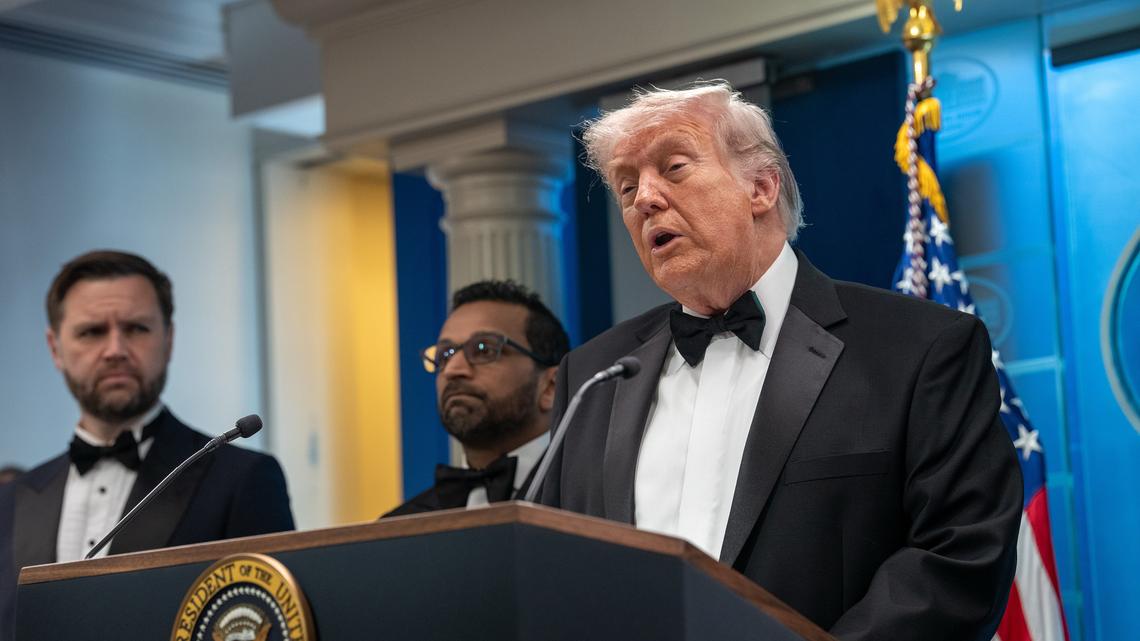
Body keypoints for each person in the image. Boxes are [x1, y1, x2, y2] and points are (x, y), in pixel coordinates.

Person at [537, 83, 1022, 641]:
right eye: (626, 186)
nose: (644, 198)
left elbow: (959, 556)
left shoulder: (920, 348)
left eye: (673, 168)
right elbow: (556, 574)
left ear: (761, 188)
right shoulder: (594, 374)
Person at [0, 250, 294, 640]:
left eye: (137, 328)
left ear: (169, 339)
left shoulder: (242, 480)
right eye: (92, 332)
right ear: (55, 348)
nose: (116, 349)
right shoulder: (13, 500)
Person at [386, 280, 569, 516]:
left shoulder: (605, 501)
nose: (452, 369)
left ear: (550, 387)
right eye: (445, 354)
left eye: (484, 349)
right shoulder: (402, 524)